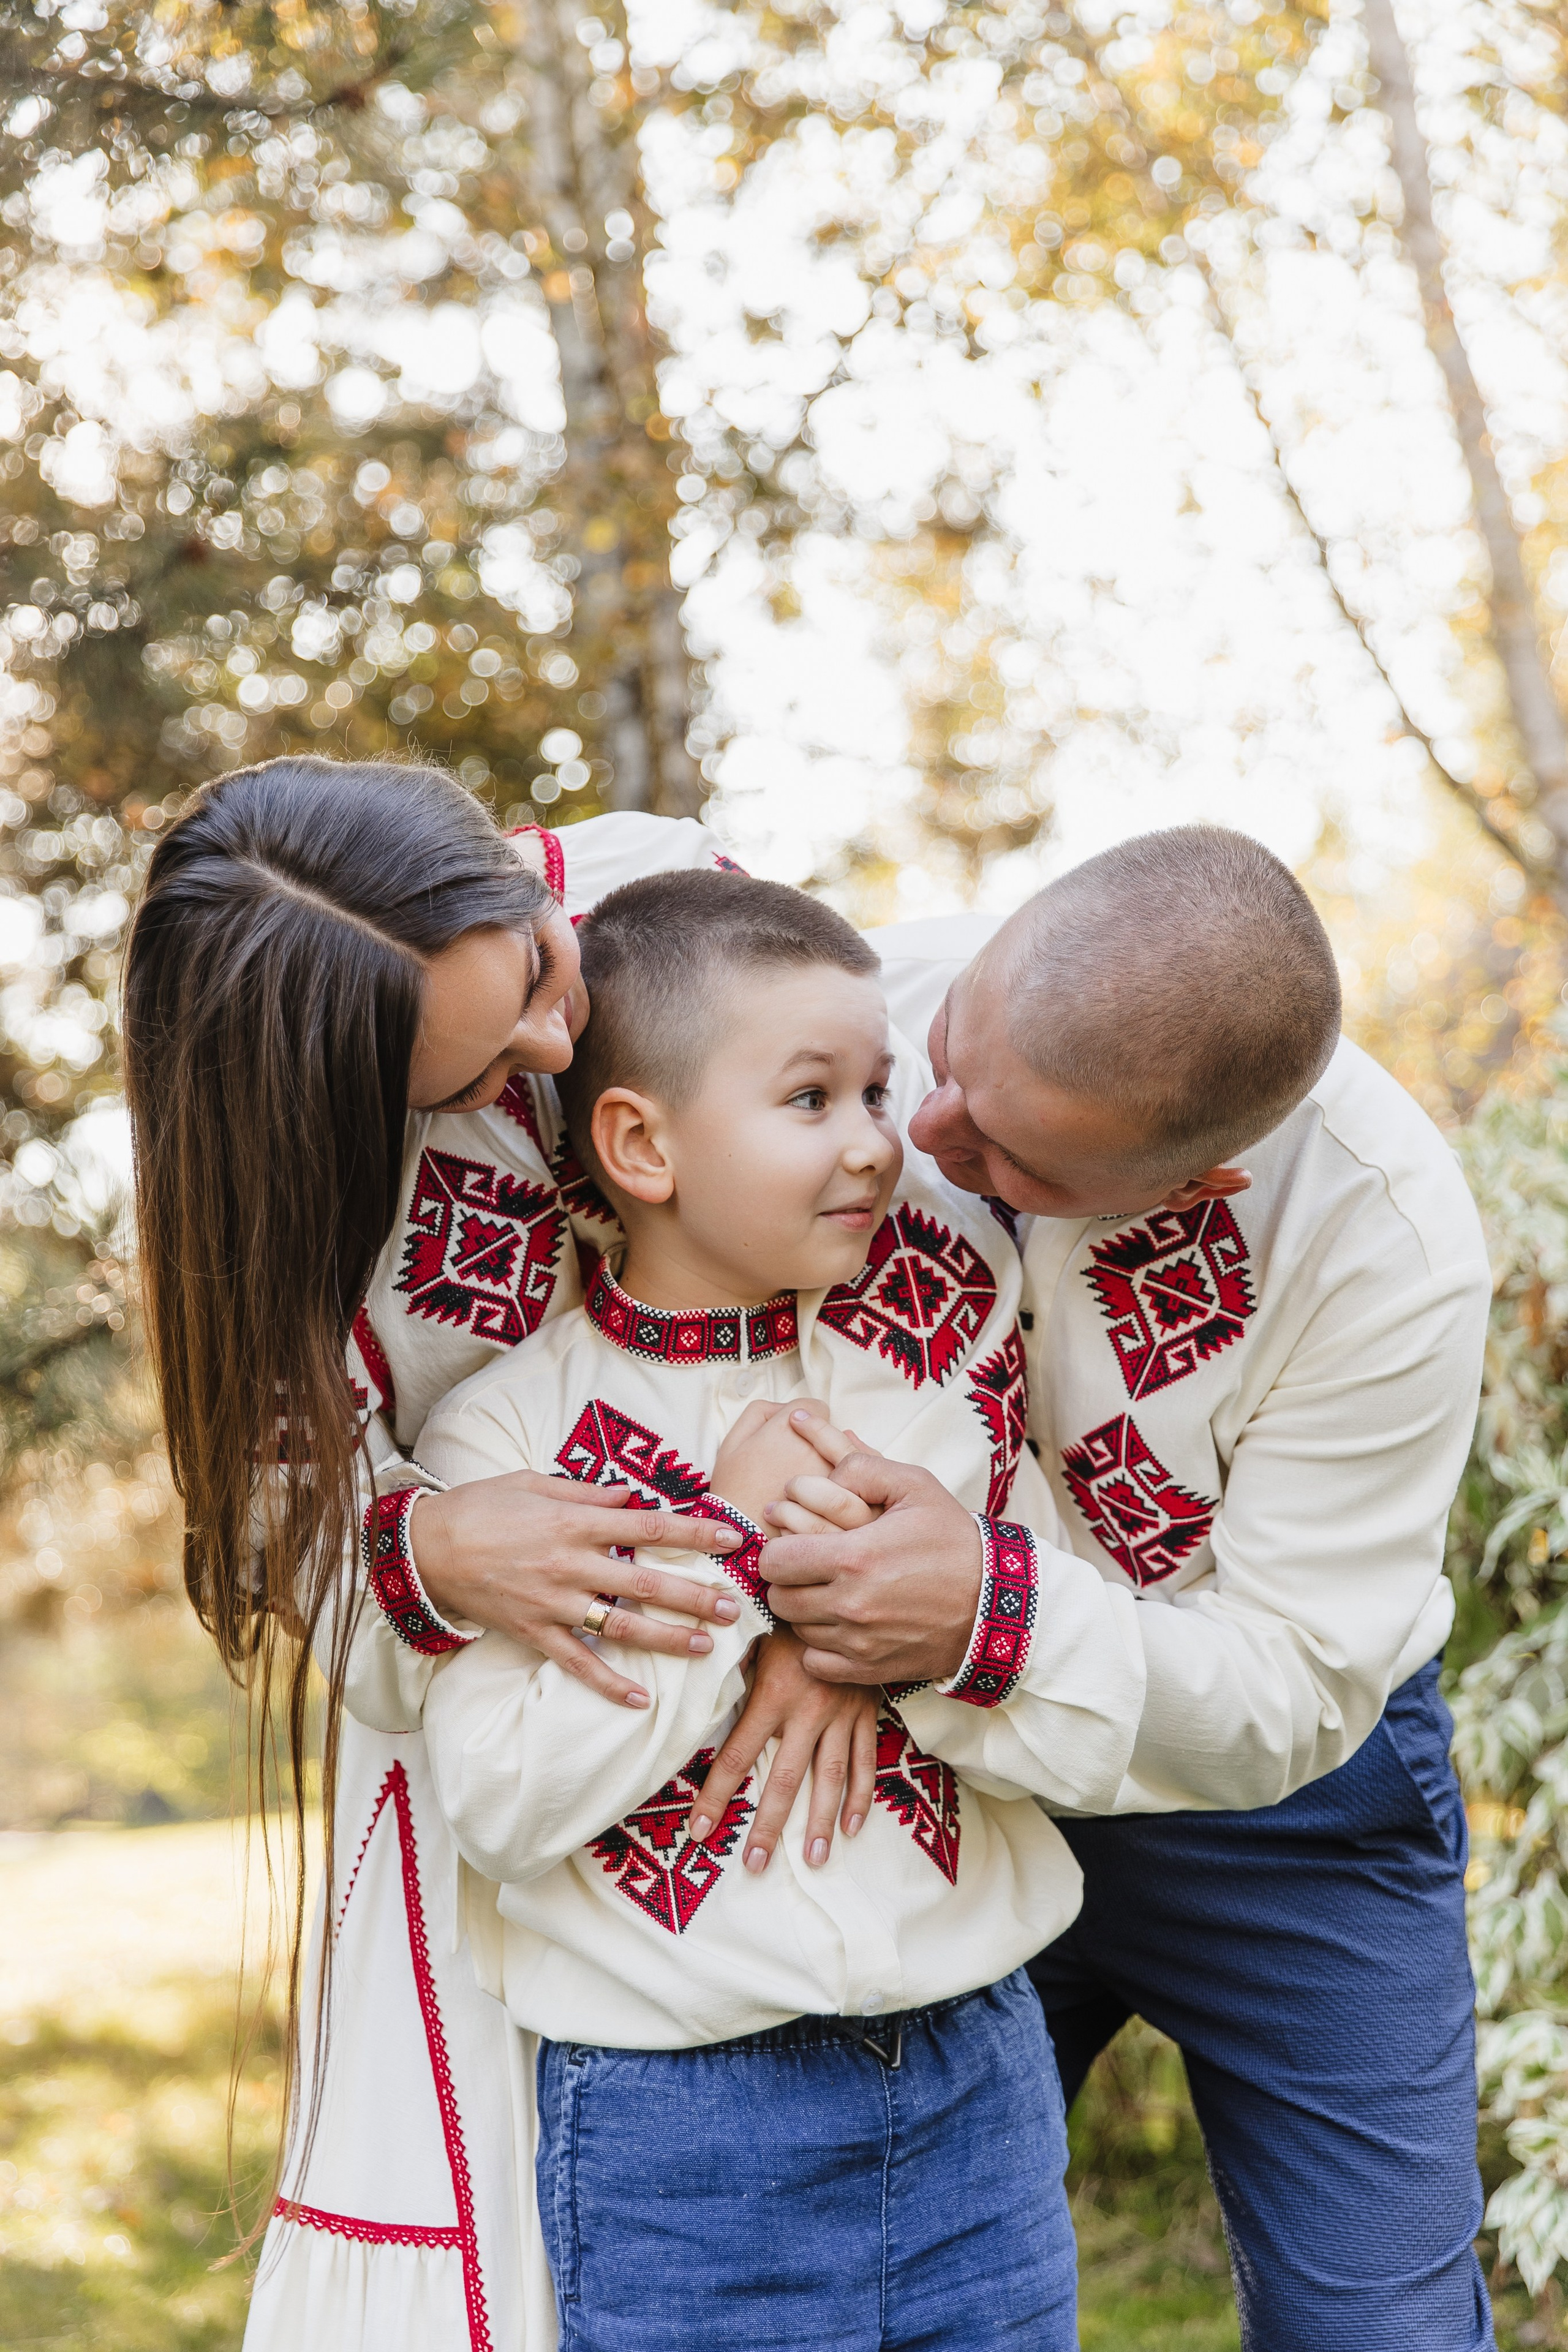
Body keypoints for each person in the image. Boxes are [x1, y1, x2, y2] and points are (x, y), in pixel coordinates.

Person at [699, 826, 1494, 2351]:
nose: (917, 1137)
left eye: (1013, 1162)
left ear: (1199, 1182)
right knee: (868, 2288)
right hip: (926, 1772)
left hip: (1281, 1814)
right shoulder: (873, 1008)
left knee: (1376, 2327)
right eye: (940, 1066)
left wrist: (984, 1617)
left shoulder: (1383, 1246)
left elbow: (1292, 1684)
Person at [120, 760, 875, 2350]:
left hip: (799, 1610)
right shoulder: (284, 1193)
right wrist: (432, 1544)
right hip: (511, 1738)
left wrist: (837, 1602)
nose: (552, 1044)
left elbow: (871, 1184)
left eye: (537, 971)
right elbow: (294, 1537)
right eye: (468, 1077)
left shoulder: (659, 892)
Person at [400, 867, 1136, 2349]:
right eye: (813, 1100)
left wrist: (897, 1642)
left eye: (879, 1090)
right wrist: (732, 1555)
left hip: (979, 2083)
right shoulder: (504, 1449)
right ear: (640, 1144)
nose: (878, 1144)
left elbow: (1064, 1688)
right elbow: (500, 1797)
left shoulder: (931, 1401)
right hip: (683, 2129)